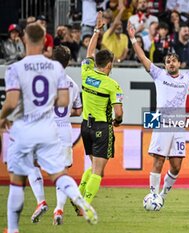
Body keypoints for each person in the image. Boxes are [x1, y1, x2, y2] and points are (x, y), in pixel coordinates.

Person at [0, 23, 97, 233]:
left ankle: (30, 212)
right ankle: (67, 205)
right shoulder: (64, 77)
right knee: (61, 172)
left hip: (34, 125)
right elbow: (67, 104)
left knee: (20, 174)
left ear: (25, 40)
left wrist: (4, 117)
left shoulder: (18, 68)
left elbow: (11, 102)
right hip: (59, 131)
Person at [127, 21, 189, 205]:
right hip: (162, 122)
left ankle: (162, 195)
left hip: (179, 125)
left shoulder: (187, 77)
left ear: (179, 63)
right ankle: (153, 195)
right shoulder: (158, 74)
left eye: (173, 60)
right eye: (168, 61)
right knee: (158, 160)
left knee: (176, 166)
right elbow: (142, 58)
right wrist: (133, 38)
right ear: (164, 65)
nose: (171, 63)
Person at [26, 45, 83, 225]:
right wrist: (65, 113)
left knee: (31, 163)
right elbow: (79, 110)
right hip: (64, 129)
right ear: (67, 63)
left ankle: (41, 201)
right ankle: (59, 209)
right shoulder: (72, 84)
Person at [75, 12, 124, 209]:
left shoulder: (86, 72)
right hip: (103, 128)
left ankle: (78, 195)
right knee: (98, 171)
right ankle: (84, 205)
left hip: (85, 126)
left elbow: (89, 52)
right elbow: (118, 113)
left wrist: (97, 30)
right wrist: (118, 121)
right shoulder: (112, 85)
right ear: (109, 65)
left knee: (93, 165)